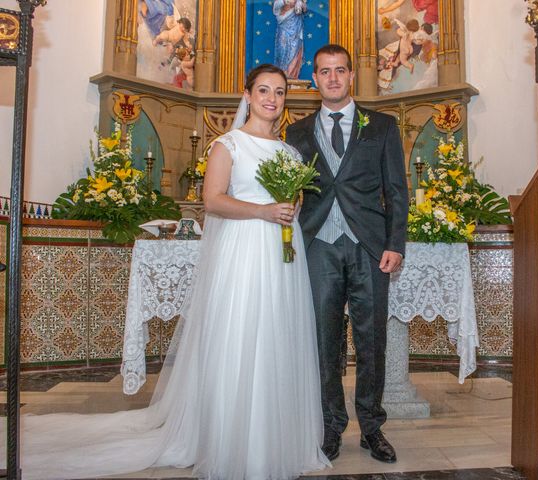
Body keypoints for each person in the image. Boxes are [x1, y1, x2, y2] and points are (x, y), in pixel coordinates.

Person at [2, 64, 329, 480]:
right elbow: (212, 201)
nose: (271, 98)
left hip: (282, 255)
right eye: (263, 90)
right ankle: (230, 439)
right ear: (247, 95)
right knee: (240, 335)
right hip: (242, 252)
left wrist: (289, 208)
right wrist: (264, 211)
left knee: (277, 336)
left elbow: (295, 203)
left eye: (279, 92)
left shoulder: (289, 154)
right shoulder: (228, 145)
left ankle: (273, 438)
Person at [286, 44, 409, 464]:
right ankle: (331, 427)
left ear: (351, 75)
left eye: (340, 70)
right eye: (324, 71)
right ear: (314, 79)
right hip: (317, 245)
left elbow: (396, 191)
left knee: (372, 340)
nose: (333, 78)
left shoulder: (382, 126)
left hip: (370, 248)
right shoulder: (296, 132)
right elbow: (288, 192)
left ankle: (372, 428)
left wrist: (395, 243)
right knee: (322, 341)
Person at [273, 0, 307, 79]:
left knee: (296, 50)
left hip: (296, 30)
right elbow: (276, 7)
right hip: (284, 26)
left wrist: (300, 4)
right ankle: (283, 74)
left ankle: (293, 75)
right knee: (283, 49)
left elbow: (304, 9)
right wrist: (286, 2)